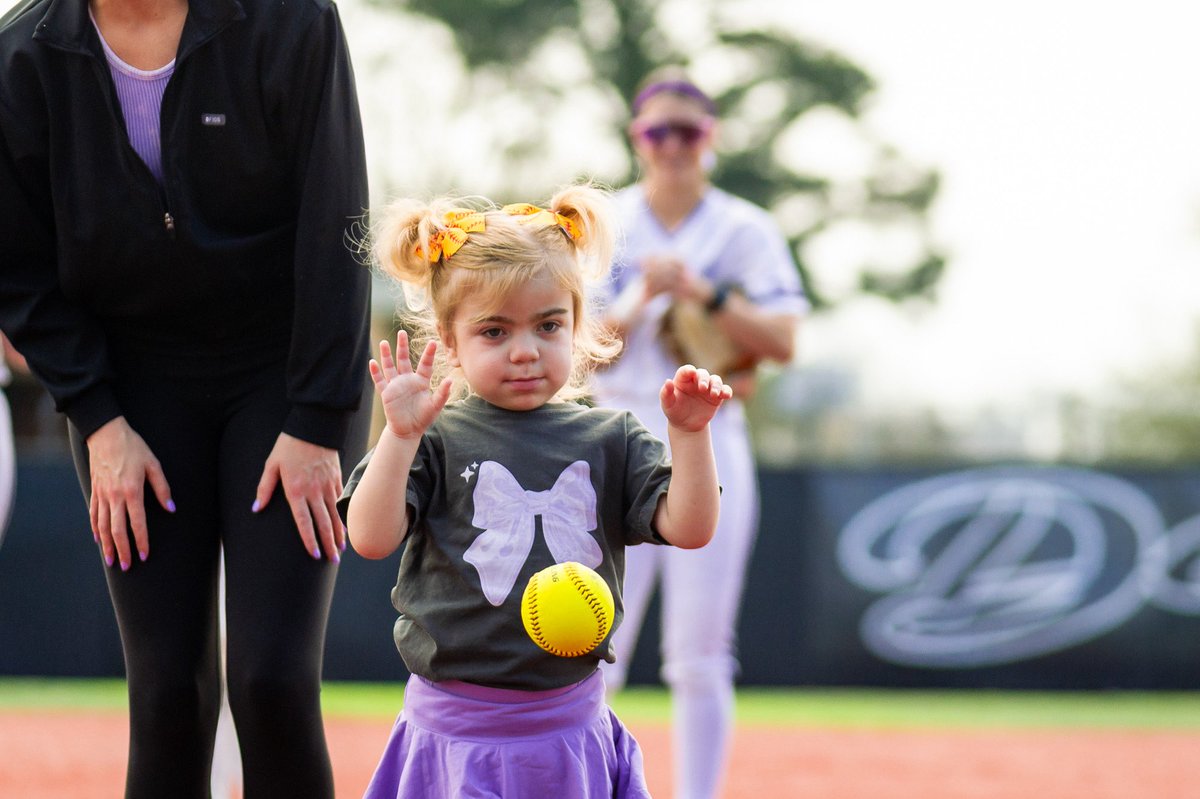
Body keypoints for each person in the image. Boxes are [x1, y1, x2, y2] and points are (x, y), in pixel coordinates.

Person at [0, 0, 371, 796]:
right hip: (130, 392)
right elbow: (18, 270)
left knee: (271, 682)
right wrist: (97, 419)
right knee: (167, 689)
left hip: (285, 375)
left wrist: (315, 419)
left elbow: (339, 221)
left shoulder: (290, 21)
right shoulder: (23, 56)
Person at [340, 183, 734, 798]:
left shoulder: (613, 435)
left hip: (566, 731)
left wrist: (689, 435)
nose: (525, 351)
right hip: (453, 732)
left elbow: (691, 528)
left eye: (548, 325)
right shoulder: (434, 437)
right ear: (448, 340)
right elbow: (368, 538)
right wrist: (398, 437)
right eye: (494, 332)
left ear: (577, 326)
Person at [591, 68, 808, 799]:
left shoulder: (743, 228)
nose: (674, 144)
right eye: (659, 130)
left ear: (709, 138)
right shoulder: (603, 222)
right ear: (637, 138)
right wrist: (642, 296)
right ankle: (586, 784)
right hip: (612, 431)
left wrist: (706, 293)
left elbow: (781, 340)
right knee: (593, 644)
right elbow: (574, 344)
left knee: (701, 653)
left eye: (688, 130)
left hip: (710, 434)